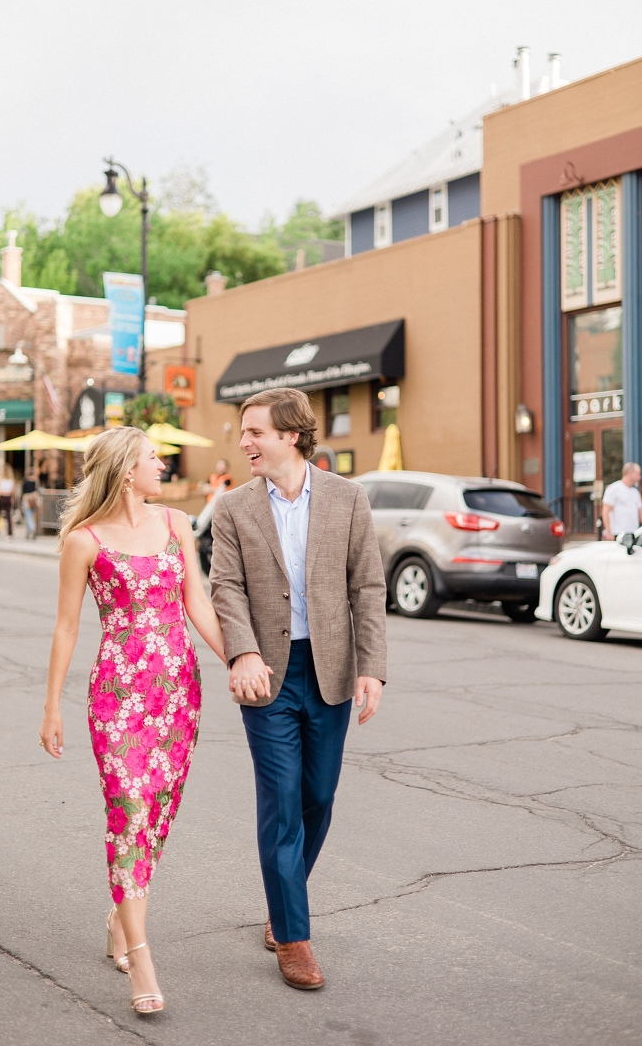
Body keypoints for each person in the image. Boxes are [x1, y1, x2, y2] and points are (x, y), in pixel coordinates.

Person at [39, 427, 226, 1016]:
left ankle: (122, 914)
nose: (163, 466)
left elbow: (197, 603)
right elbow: (67, 626)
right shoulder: (84, 541)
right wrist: (51, 706)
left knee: (159, 812)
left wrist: (243, 661)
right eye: (153, 458)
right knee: (130, 809)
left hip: (177, 694)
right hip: (117, 697)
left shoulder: (176, 526)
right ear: (125, 469)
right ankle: (141, 956)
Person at [210, 387, 387, 992]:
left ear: (290, 435)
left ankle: (283, 901)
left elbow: (367, 586)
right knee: (281, 802)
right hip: (267, 675)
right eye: (243, 431)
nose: (244, 442)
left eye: (254, 432)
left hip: (331, 669)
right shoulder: (234, 508)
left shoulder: (348, 499)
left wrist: (371, 667)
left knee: (318, 796)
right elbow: (225, 587)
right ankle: (293, 935)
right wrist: (243, 651)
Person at [602, 462, 642, 538]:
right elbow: (605, 511)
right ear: (630, 473)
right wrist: (609, 533)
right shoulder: (614, 489)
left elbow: (640, 515)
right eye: (637, 474)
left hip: (633, 535)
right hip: (617, 533)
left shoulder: (636, 493)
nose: (639, 477)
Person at [0, 462, 15, 539]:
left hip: (1, 497)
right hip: (8, 497)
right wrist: (12, 498)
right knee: (8, 515)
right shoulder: (11, 479)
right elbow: (13, 490)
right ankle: (9, 532)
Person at [21, 469, 40, 539]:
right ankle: (28, 533)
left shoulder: (25, 481)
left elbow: (23, 491)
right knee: (31, 516)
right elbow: (37, 490)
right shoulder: (35, 481)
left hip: (26, 499)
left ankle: (32, 528)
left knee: (28, 516)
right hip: (34, 499)